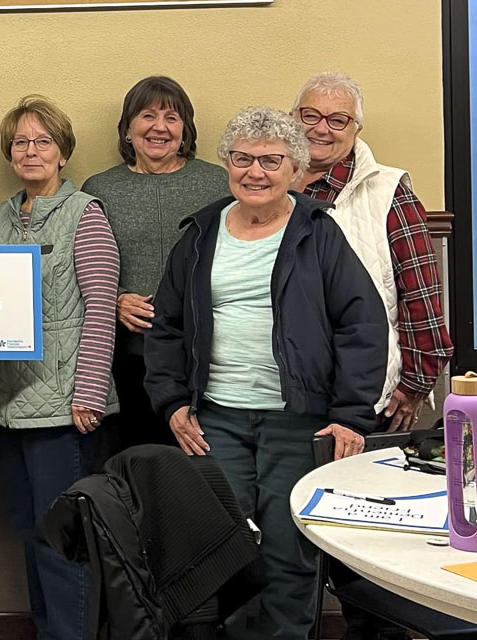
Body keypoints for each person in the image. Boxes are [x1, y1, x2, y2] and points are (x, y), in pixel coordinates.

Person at [144, 106, 387, 639]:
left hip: (296, 423)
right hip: (216, 420)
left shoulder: (317, 234)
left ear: (295, 169)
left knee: (288, 552)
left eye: (271, 160)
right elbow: (166, 325)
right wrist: (173, 402)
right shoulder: (202, 233)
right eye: (242, 159)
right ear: (227, 165)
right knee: (222, 552)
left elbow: (362, 325)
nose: (255, 171)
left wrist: (351, 415)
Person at [291, 71, 454, 640]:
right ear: (293, 119)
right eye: (311, 116)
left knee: (368, 554)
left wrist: (414, 383)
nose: (322, 129)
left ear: (356, 127)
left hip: (372, 400)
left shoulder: (387, 189)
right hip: (287, 400)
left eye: (338, 120)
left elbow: (422, 295)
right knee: (290, 548)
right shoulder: (270, 185)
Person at [0, 95, 120, 640]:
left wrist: (86, 394)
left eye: (43, 142)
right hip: (6, 405)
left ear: (62, 153)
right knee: (28, 531)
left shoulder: (85, 213)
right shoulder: (4, 217)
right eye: (20, 142)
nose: (30, 151)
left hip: (64, 406)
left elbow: (102, 306)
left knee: (61, 540)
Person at [82, 76, 228, 452]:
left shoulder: (219, 184)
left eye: (172, 117)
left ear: (186, 129)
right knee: (139, 465)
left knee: (203, 468)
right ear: (128, 129)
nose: (159, 127)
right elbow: (77, 266)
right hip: (130, 358)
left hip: (207, 358)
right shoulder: (99, 189)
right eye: (147, 115)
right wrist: (114, 300)